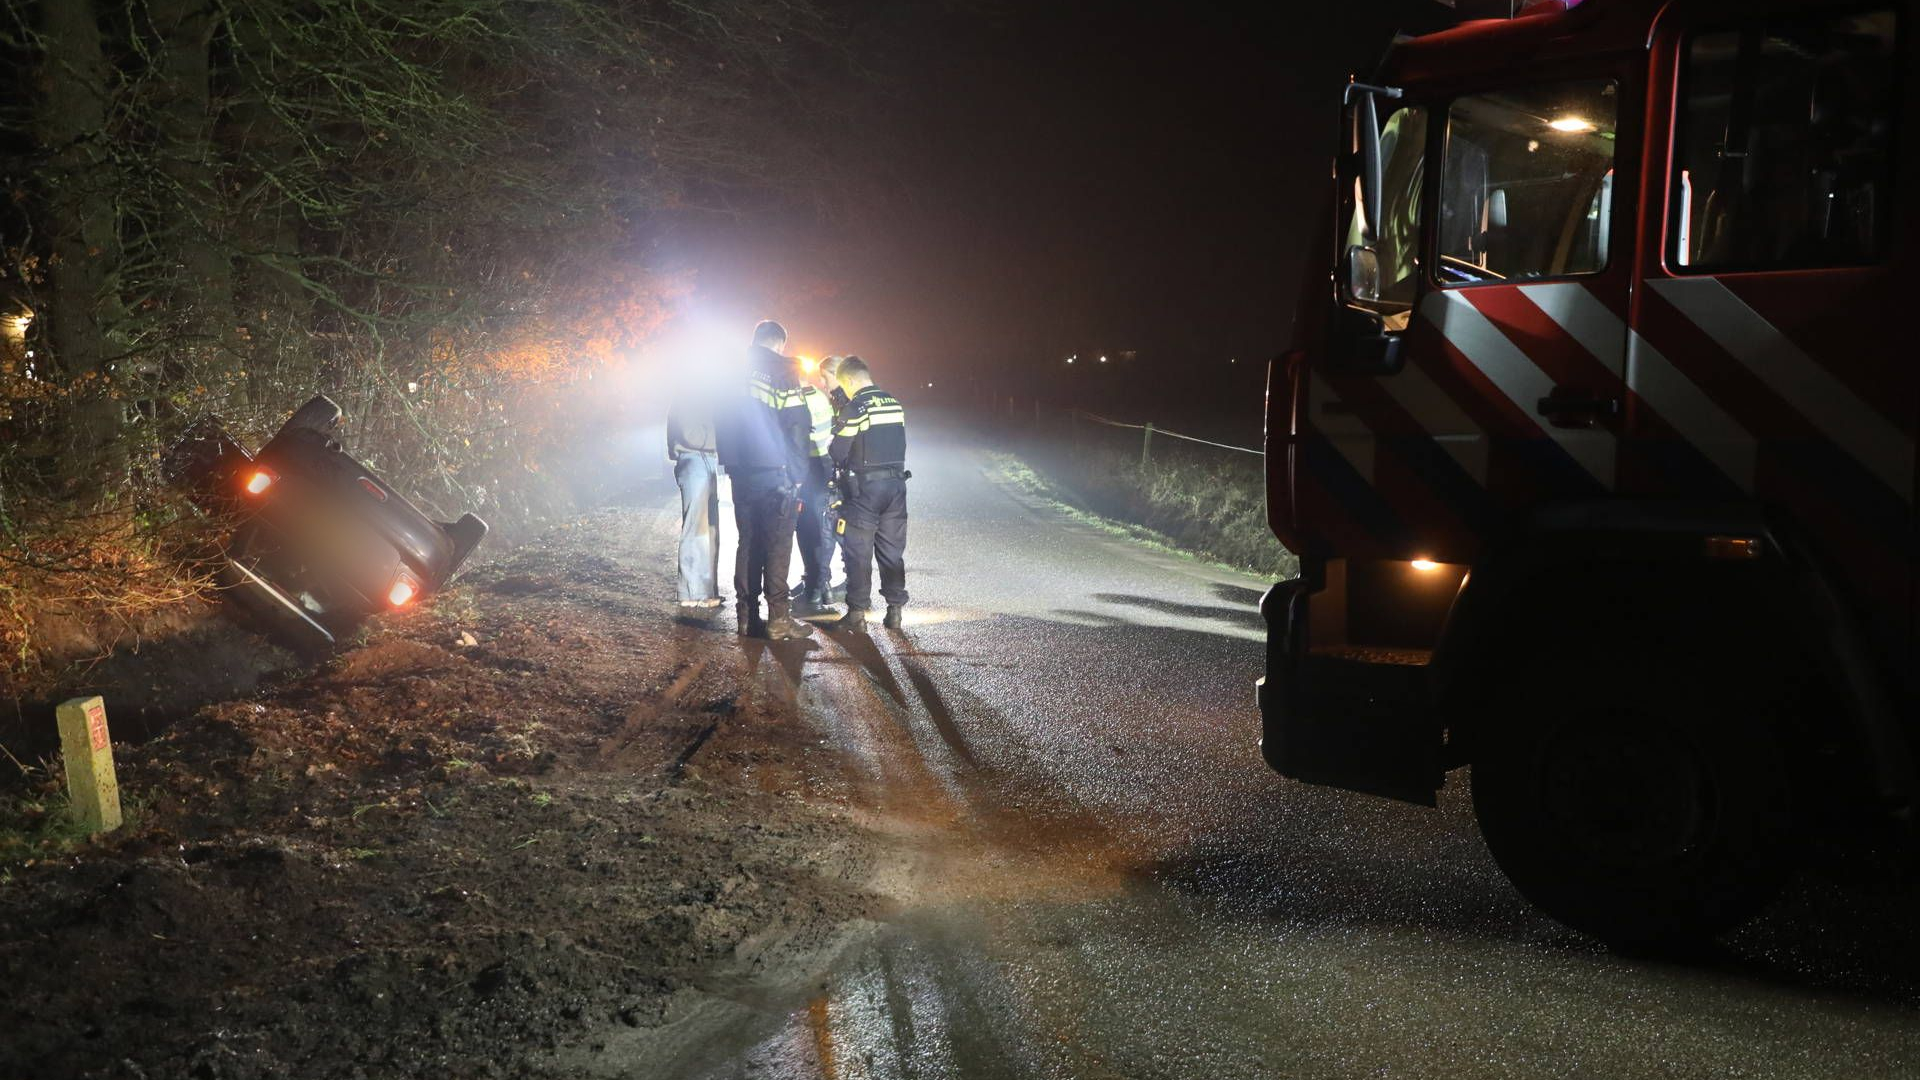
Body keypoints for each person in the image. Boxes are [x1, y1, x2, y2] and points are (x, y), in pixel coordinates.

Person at [715, 320, 815, 640]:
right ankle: (778, 619)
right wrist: (799, 474)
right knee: (777, 543)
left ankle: (746, 617)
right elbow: (797, 426)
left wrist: (730, 461)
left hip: (740, 470)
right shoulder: (784, 370)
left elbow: (720, 419)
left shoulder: (730, 370)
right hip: (776, 472)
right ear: (779, 344)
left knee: (748, 541)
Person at [827, 356, 909, 631]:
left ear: (849, 380)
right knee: (891, 551)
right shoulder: (894, 403)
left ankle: (857, 614)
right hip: (896, 487)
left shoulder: (856, 407)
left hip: (865, 490)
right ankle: (895, 610)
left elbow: (838, 452)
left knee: (858, 551)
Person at [666, 383, 723, 608]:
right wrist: (725, 441)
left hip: (705, 459)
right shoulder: (688, 394)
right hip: (694, 459)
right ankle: (692, 592)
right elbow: (692, 435)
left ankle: (706, 590)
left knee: (710, 529)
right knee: (696, 529)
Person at [792, 356, 841, 616]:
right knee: (818, 527)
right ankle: (820, 584)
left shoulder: (801, 399)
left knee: (812, 528)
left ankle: (816, 588)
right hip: (823, 463)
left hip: (811, 466)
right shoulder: (819, 397)